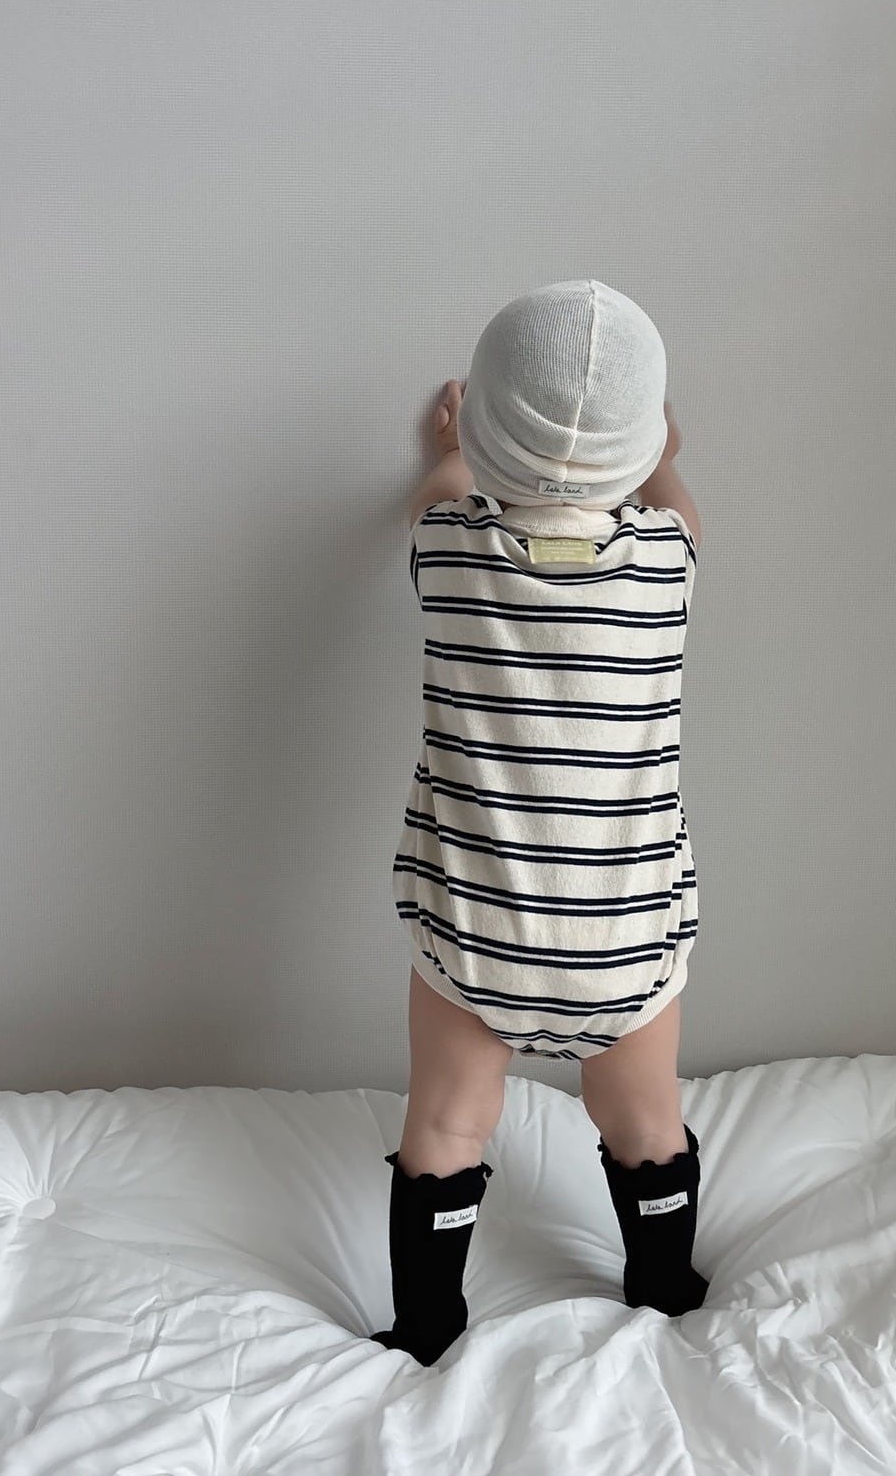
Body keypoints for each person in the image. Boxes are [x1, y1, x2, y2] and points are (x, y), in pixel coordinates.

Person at [371, 279, 709, 1366]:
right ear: (642, 446)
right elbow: (680, 507)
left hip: (475, 938)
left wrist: (450, 449)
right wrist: (663, 456)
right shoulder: (667, 566)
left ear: (477, 432)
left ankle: (427, 1325)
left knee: (443, 1125)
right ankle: (664, 1285)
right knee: (645, 1125)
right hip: (622, 944)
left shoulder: (448, 551)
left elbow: (438, 493)